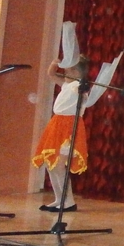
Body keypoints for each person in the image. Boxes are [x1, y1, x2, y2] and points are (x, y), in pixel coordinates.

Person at [32, 57, 91, 212]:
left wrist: (83, 87)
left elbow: (84, 94)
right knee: (50, 164)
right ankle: (59, 199)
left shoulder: (77, 86)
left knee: (59, 166)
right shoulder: (67, 85)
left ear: (76, 72)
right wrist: (54, 63)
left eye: (67, 71)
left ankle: (69, 201)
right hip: (57, 124)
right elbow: (51, 74)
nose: (64, 74)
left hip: (69, 128)